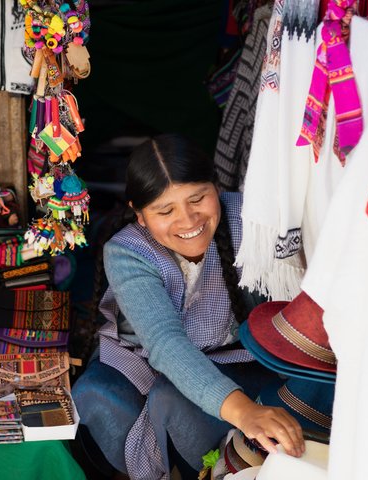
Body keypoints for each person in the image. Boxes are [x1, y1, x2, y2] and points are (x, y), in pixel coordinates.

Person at [72, 134, 304, 479]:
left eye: (198, 198)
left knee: (174, 401)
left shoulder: (252, 220)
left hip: (239, 353)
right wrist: (243, 412)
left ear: (216, 186)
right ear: (139, 214)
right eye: (165, 210)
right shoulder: (127, 251)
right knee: (99, 397)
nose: (188, 220)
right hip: (140, 355)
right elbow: (165, 342)